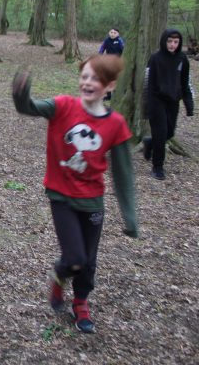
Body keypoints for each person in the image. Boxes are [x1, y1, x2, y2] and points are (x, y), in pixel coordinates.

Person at [12, 54, 139, 334]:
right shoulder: (63, 106)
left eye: (95, 78)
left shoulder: (116, 124)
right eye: (84, 76)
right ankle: (60, 275)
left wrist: (130, 217)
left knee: (89, 261)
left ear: (110, 86)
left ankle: (81, 301)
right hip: (62, 195)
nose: (87, 82)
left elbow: (123, 173)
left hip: (93, 200)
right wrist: (21, 94)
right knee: (75, 257)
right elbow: (30, 108)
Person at [142, 29, 195, 180]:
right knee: (161, 131)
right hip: (156, 100)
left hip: (173, 101)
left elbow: (186, 82)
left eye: (175, 42)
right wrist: (147, 107)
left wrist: (189, 104)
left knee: (169, 133)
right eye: (170, 41)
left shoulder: (182, 59)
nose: (172, 45)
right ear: (164, 41)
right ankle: (157, 166)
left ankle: (149, 142)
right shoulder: (155, 58)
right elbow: (147, 83)